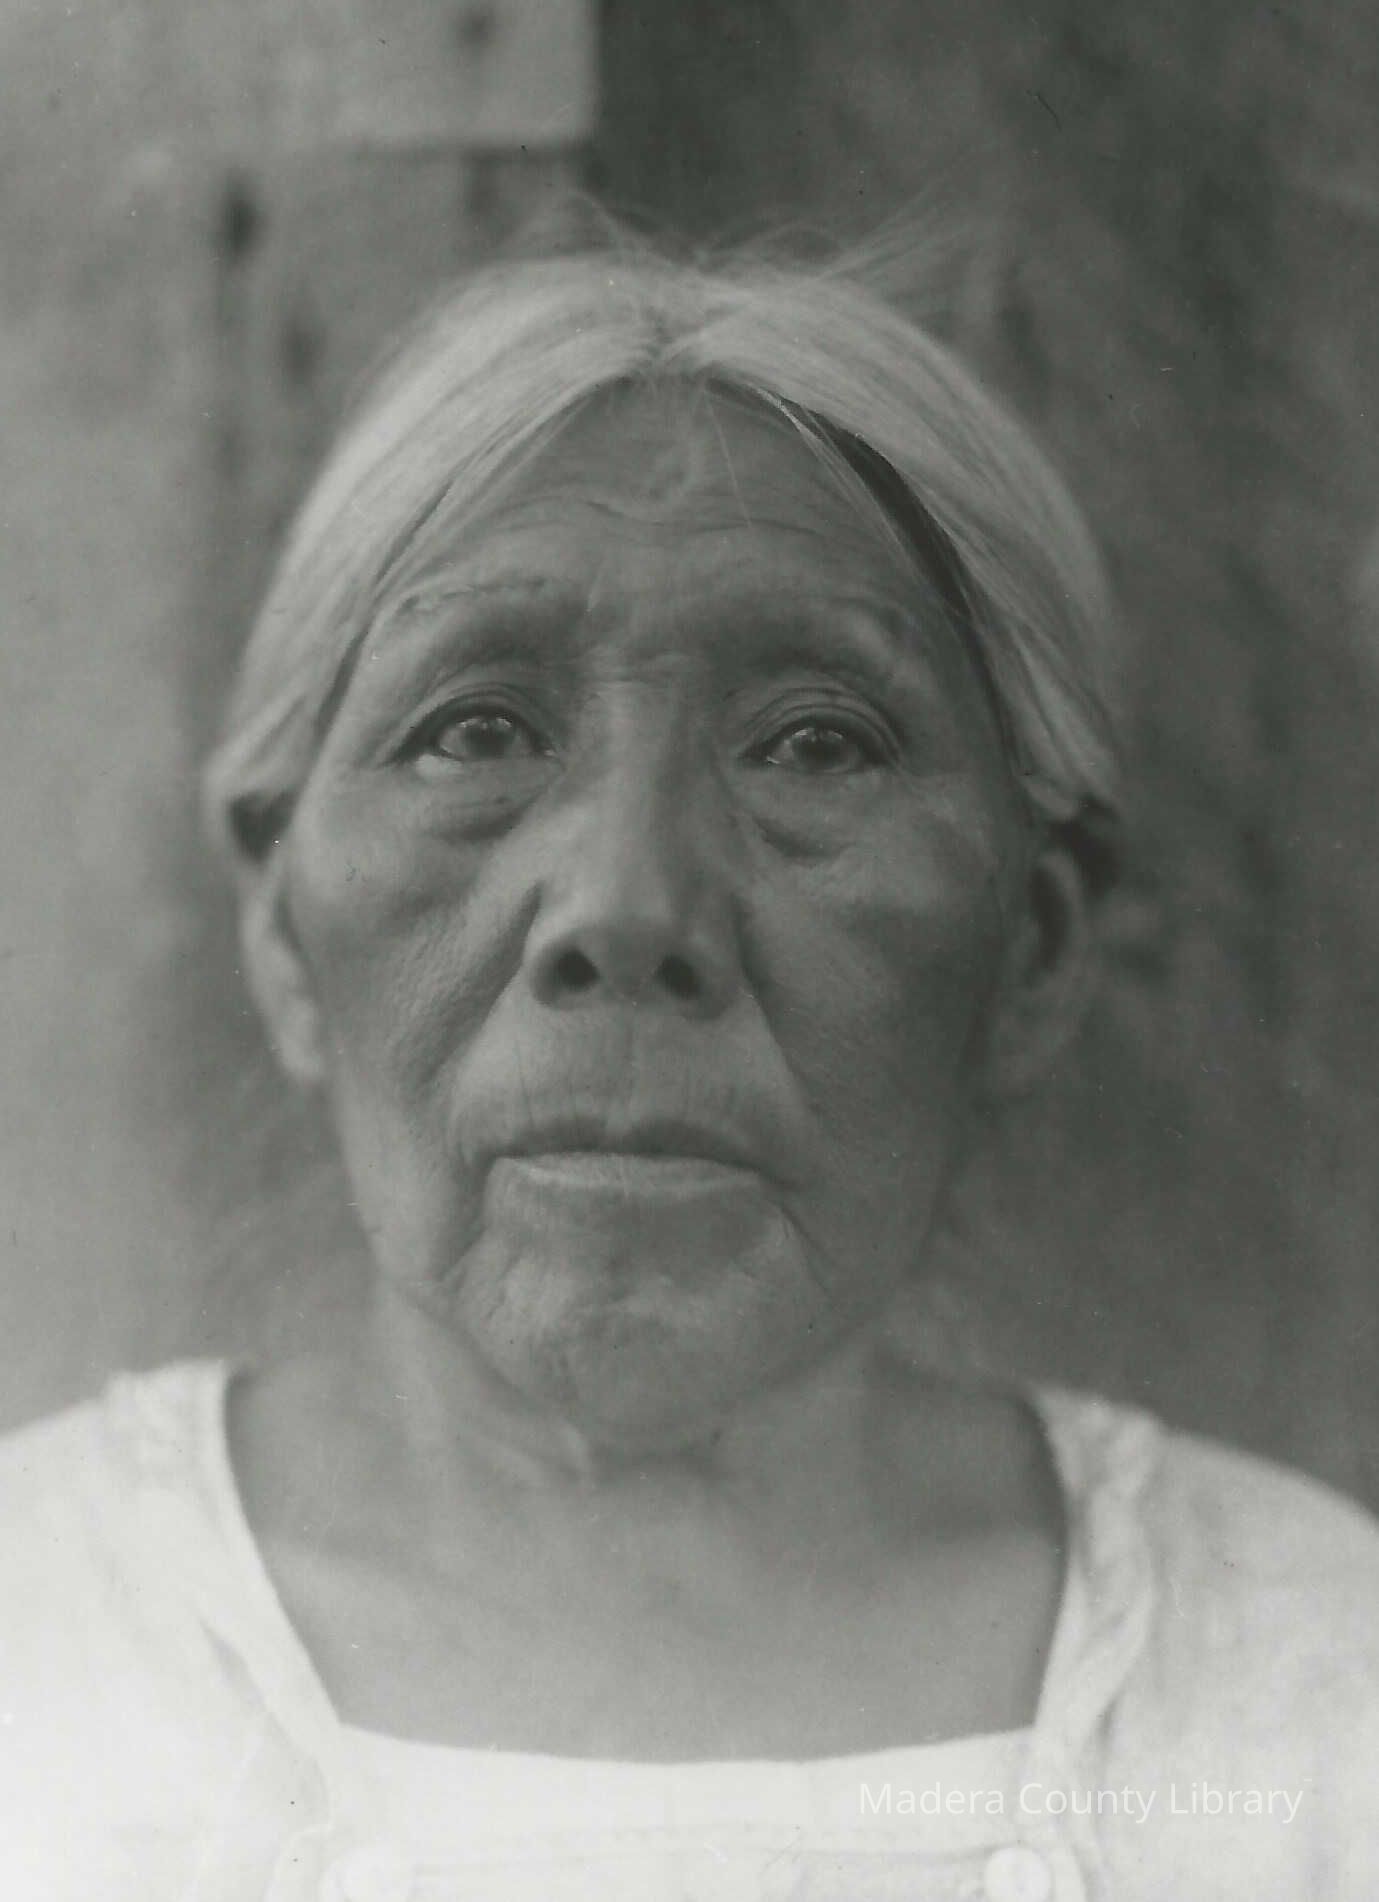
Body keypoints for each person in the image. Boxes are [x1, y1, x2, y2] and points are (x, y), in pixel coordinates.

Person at [5, 236, 1379, 1901]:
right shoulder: (39, 1645)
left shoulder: (1306, 1694)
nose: (626, 906)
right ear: (283, 927)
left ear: (1035, 944)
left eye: (817, 742)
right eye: (476, 729)